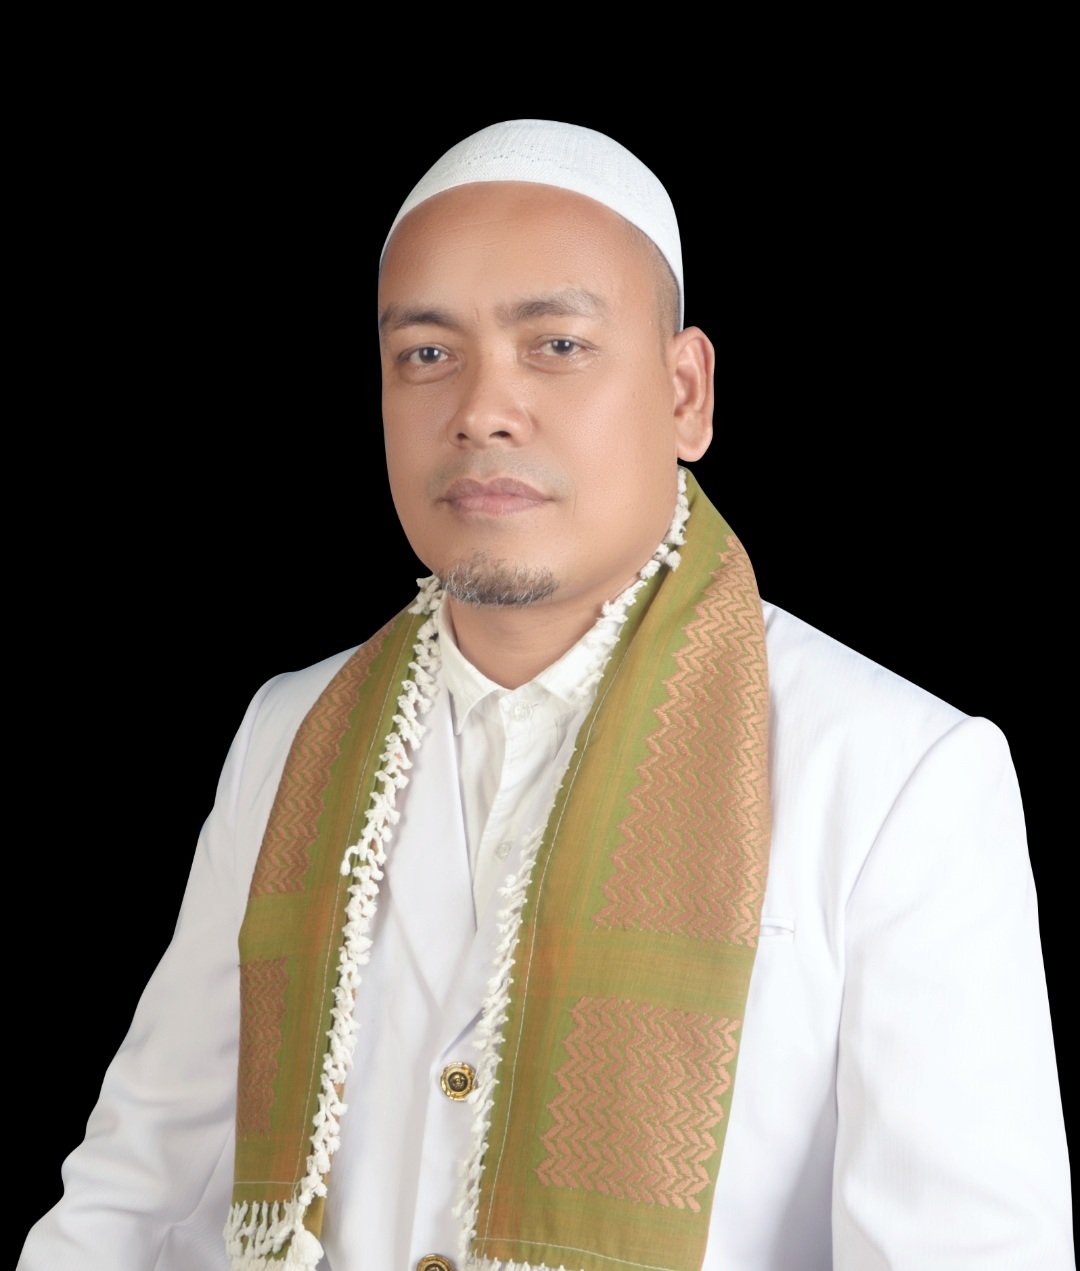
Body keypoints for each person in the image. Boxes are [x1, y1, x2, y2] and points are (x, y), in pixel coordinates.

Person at [20, 120, 1072, 1271]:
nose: (482, 408)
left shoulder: (893, 772)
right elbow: (137, 1193)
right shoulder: (290, 733)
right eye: (428, 353)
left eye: (557, 344)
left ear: (685, 392)